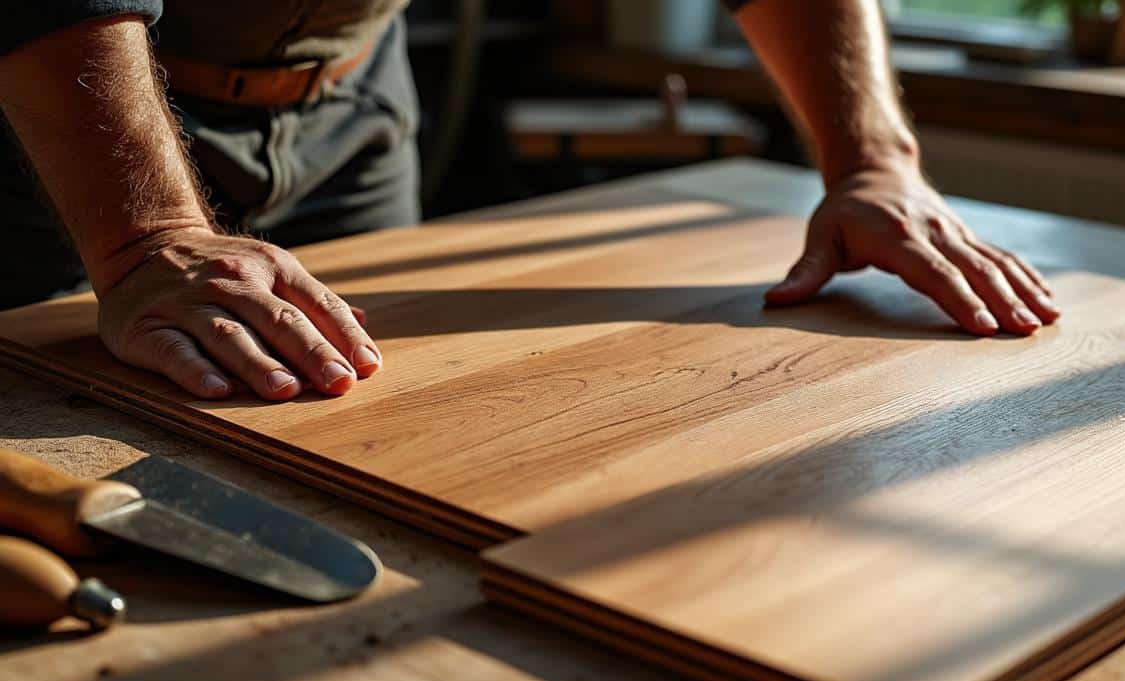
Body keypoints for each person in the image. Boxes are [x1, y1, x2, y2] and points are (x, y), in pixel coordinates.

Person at [0, 0, 1059, 402]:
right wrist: (146, 238)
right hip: (67, 93)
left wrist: (876, 160)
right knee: (67, 426)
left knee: (353, 413)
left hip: (354, 101)